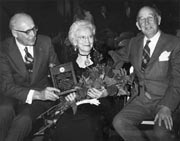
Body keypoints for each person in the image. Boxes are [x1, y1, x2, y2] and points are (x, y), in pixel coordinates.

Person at [109, 5, 180, 141]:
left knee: (161, 133)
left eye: (150, 18)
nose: (146, 23)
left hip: (167, 100)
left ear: (158, 19)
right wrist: (91, 55)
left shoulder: (175, 43)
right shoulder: (133, 43)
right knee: (119, 122)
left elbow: (178, 79)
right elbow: (116, 57)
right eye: (142, 19)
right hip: (142, 100)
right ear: (137, 25)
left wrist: (167, 107)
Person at [52, 20, 120, 141]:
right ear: (75, 41)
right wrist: (68, 98)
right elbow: (63, 92)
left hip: (101, 105)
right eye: (83, 37)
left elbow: (118, 86)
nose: (88, 41)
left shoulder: (104, 59)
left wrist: (105, 92)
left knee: (88, 123)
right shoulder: (67, 65)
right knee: (63, 123)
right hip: (75, 107)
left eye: (90, 37)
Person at [0, 12, 61, 141]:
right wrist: (36, 94)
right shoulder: (3, 49)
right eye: (27, 32)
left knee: (24, 120)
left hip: (42, 94)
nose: (33, 34)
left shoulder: (46, 42)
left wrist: (63, 88)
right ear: (15, 33)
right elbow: (6, 86)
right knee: (3, 112)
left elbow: (57, 73)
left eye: (34, 29)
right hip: (13, 94)